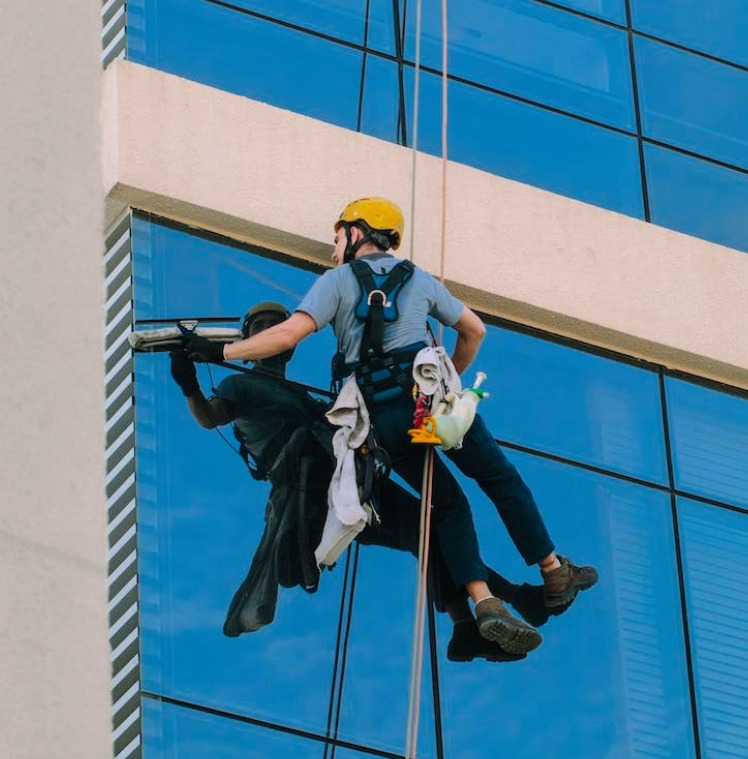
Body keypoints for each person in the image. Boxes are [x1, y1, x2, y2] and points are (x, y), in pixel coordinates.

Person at [183, 199, 597, 657]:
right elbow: (475, 331)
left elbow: (288, 335)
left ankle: (484, 601)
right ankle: (552, 569)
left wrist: (217, 352)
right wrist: (448, 385)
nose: (333, 247)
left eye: (338, 236)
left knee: (447, 506)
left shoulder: (335, 283)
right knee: (500, 479)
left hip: (382, 422)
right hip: (428, 404)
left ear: (358, 232)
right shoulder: (419, 279)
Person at [172, 301, 563, 662]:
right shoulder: (240, 385)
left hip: (343, 479)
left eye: (276, 327)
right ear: (248, 340)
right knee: (431, 525)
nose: (270, 331)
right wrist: (189, 384)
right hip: (314, 490)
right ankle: (503, 600)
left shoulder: (304, 396)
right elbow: (210, 416)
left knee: (427, 529)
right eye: (261, 327)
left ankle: (465, 623)